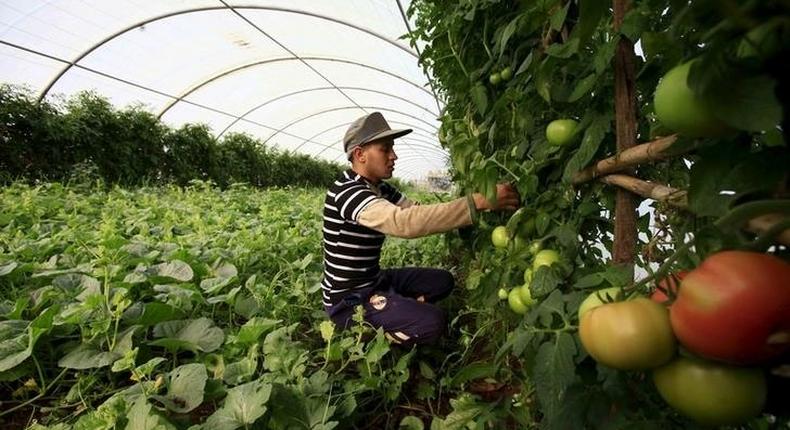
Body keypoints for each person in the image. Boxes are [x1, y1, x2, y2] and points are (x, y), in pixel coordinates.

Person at [322, 112, 519, 347]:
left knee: (442, 281)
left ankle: (391, 305)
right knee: (433, 322)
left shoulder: (380, 188)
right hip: (349, 300)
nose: (394, 156)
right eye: (385, 149)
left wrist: (470, 207)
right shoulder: (347, 192)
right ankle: (366, 332)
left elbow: (418, 210)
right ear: (360, 154)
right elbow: (405, 222)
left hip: (375, 280)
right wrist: (477, 202)